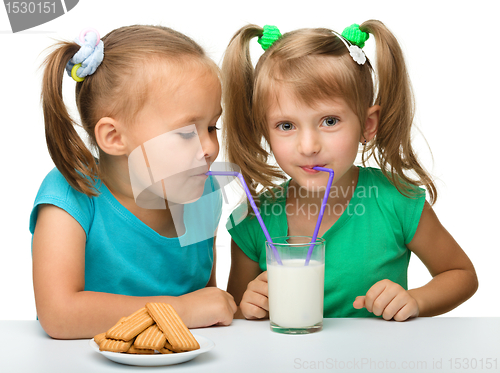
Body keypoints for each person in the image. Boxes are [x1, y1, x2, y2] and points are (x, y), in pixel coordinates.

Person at [222, 21, 478, 321]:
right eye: (286, 125)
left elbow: (461, 274)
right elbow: (235, 314)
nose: (308, 146)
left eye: (329, 121)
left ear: (367, 125)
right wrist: (247, 307)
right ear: (264, 129)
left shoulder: (396, 202)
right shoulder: (253, 220)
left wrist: (414, 300)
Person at [30, 25, 236, 339]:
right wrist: (179, 311)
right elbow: (59, 316)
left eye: (212, 127)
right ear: (114, 137)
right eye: (185, 133)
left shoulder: (205, 193)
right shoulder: (70, 195)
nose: (209, 148)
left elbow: (205, 305)